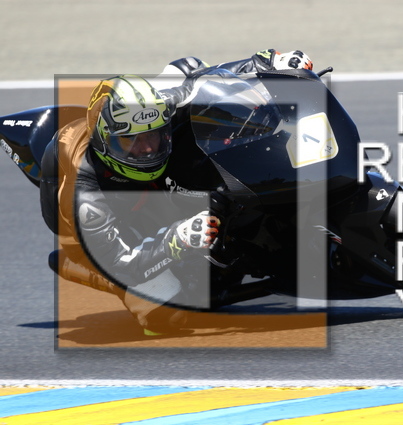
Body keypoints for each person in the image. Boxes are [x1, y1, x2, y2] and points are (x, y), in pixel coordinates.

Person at [39, 49, 313, 335]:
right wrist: (176, 239)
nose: (148, 149)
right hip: (95, 222)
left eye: (153, 135)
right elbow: (123, 264)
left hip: (144, 180)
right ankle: (84, 268)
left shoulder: (153, 111)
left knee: (191, 69)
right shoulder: (85, 196)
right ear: (105, 141)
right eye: (132, 140)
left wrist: (268, 62)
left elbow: (204, 79)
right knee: (166, 313)